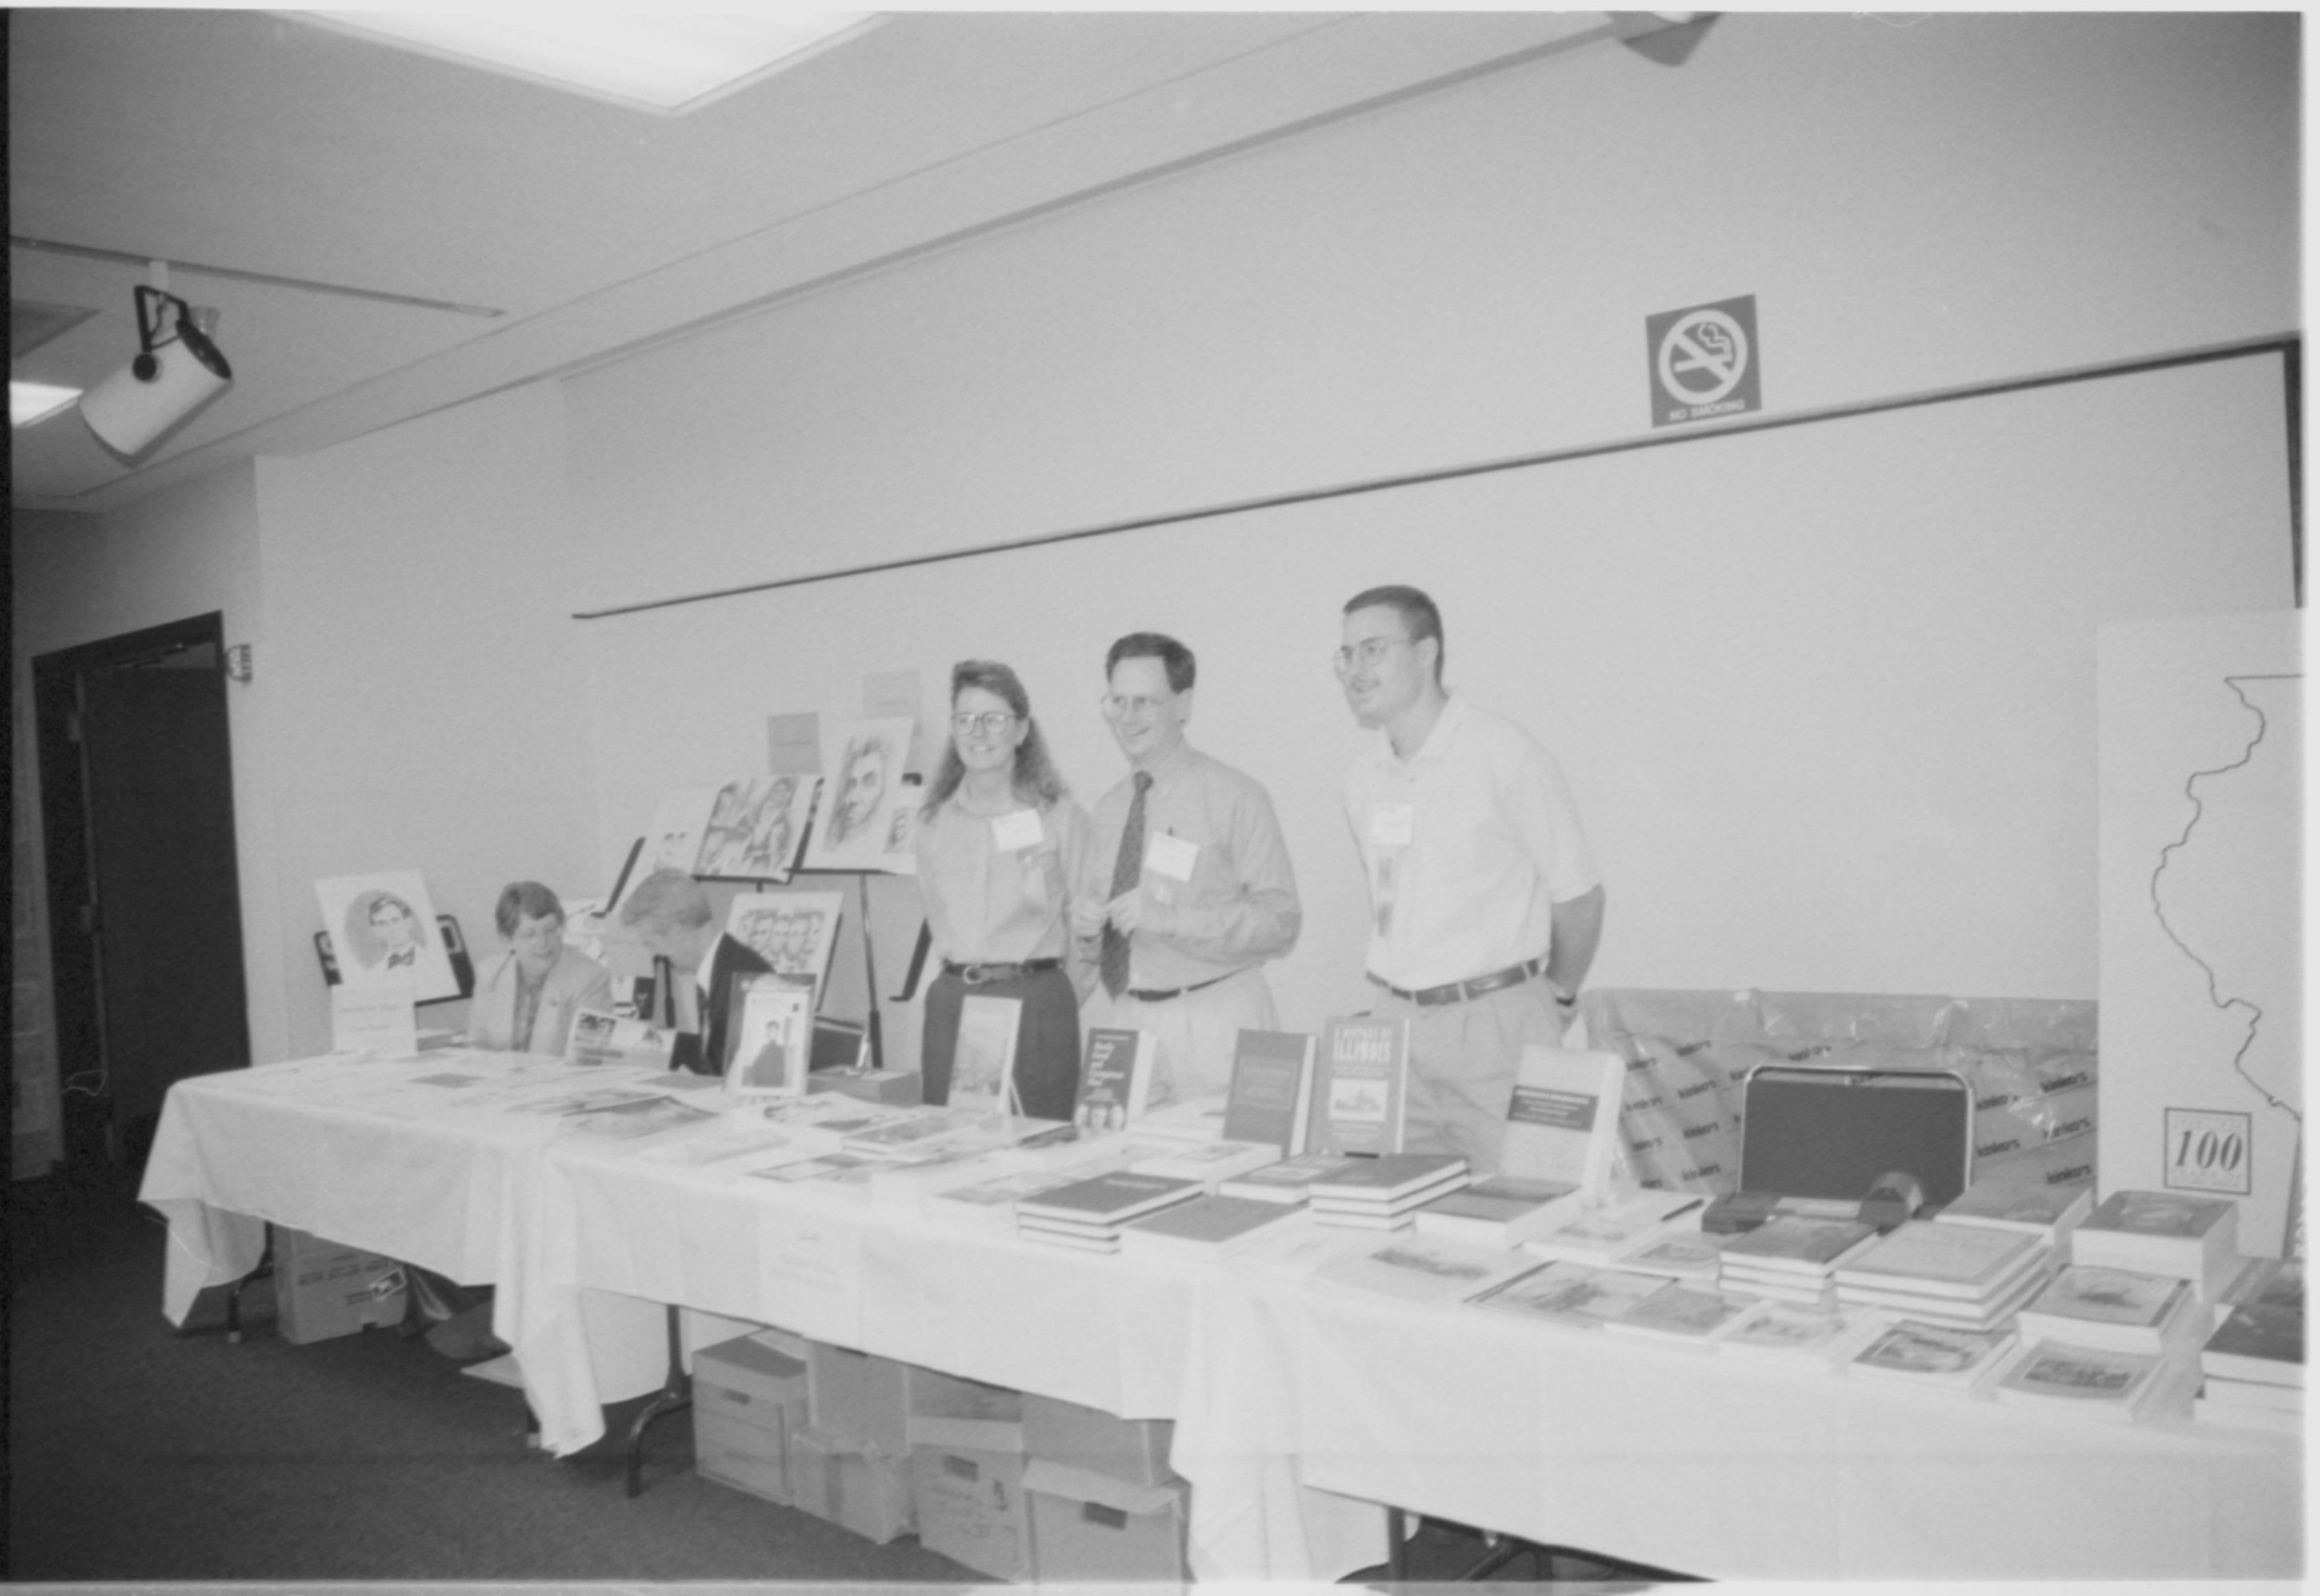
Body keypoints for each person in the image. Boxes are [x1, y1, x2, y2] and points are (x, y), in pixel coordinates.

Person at [1337, 584, 1606, 1169]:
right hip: (1393, 1028)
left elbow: (1580, 896)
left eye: (1373, 650)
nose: (1355, 669)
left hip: (1494, 1024)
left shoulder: (1504, 754)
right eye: (1347, 654)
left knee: (1513, 1209)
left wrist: (1556, 995)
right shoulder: (1363, 778)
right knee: (1397, 1221)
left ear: (1427, 651)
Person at [1070, 631, 1301, 1104]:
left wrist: (1172, 921)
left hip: (1216, 1018)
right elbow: (1100, 940)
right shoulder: (1110, 808)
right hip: (1128, 1018)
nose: (1128, 717)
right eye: (1118, 702)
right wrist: (1087, 928)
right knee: (1121, 1169)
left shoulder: (1236, 795)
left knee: (1230, 1170)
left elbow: (1281, 924)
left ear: (1183, 705)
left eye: (1145, 702)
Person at [914, 660, 1096, 1120]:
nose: (979, 733)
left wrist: (1048, 996)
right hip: (953, 1001)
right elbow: (938, 916)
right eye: (966, 720)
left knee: (1038, 1159)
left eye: (995, 719)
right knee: (948, 1153)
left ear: (1022, 731)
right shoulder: (935, 822)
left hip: (1035, 1003)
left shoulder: (1059, 816)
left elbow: (1090, 927)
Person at [618, 868, 763, 1073]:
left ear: (677, 931)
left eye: (651, 944)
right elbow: (711, 1050)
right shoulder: (723, 965)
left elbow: (729, 1073)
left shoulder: (743, 982)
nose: (654, 955)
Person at [467, 881, 614, 1055]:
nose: (543, 942)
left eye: (551, 930)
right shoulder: (490, 973)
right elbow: (477, 1046)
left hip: (561, 1080)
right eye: (530, 934)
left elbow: (589, 1056)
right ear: (507, 938)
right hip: (501, 1079)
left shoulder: (590, 977)